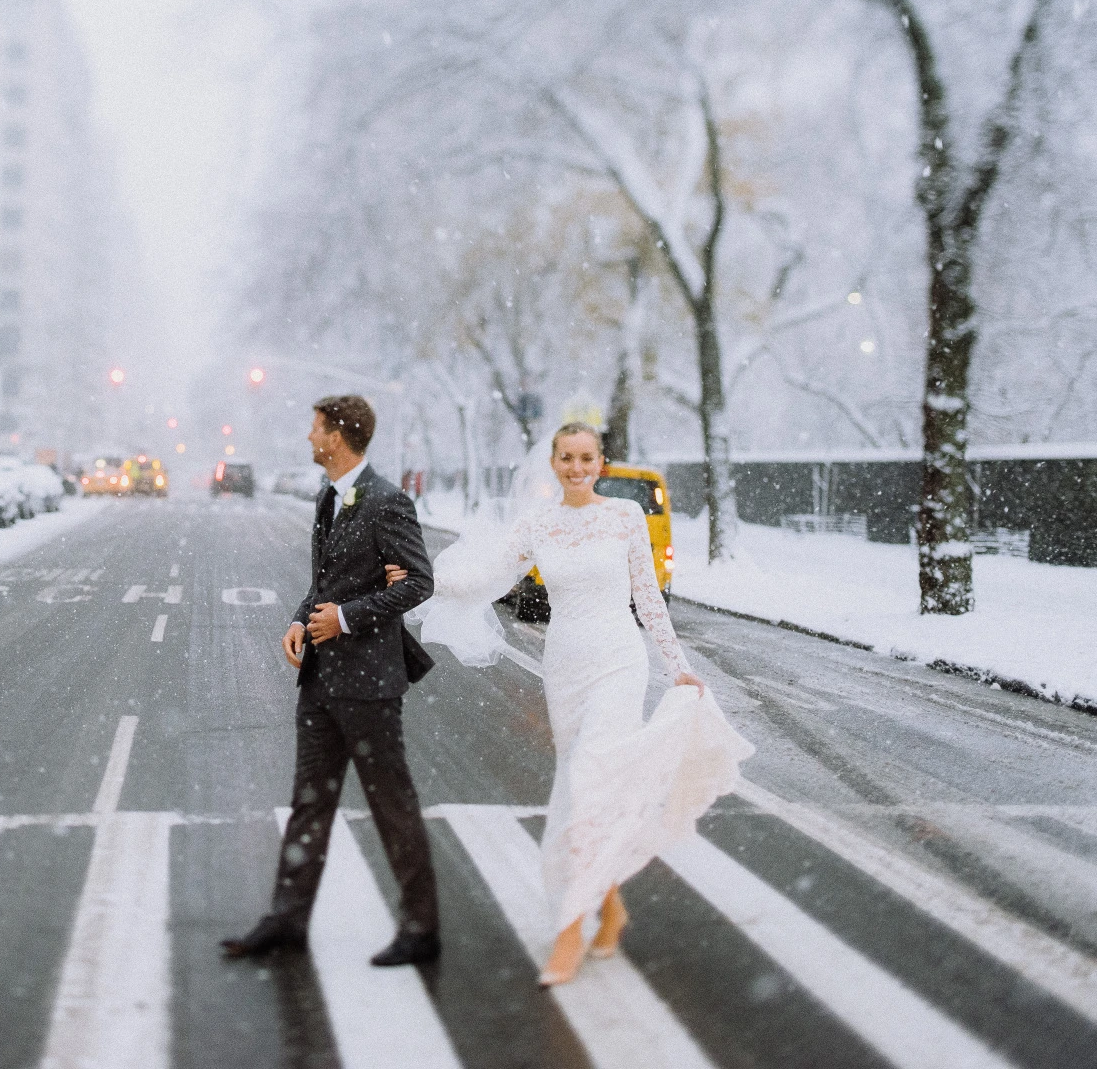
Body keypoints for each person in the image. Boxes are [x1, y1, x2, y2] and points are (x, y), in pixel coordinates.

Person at [412, 421, 752, 986]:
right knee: (580, 787)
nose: (575, 467)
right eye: (566, 457)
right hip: (564, 667)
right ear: (553, 462)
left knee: (590, 780)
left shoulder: (624, 517)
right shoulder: (538, 523)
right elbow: (487, 578)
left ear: (601, 463)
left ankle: (571, 927)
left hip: (619, 661)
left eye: (586, 457)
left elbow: (648, 596)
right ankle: (611, 905)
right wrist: (426, 581)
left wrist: (679, 668)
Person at [221, 395, 443, 967]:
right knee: (309, 804)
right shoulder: (329, 495)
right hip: (322, 682)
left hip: (370, 685)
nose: (309, 438)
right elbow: (326, 581)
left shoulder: (388, 503)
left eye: (316, 429)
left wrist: (344, 618)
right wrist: (302, 618)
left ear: (339, 436)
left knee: (391, 804)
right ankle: (287, 920)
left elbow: (418, 582)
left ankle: (422, 928)